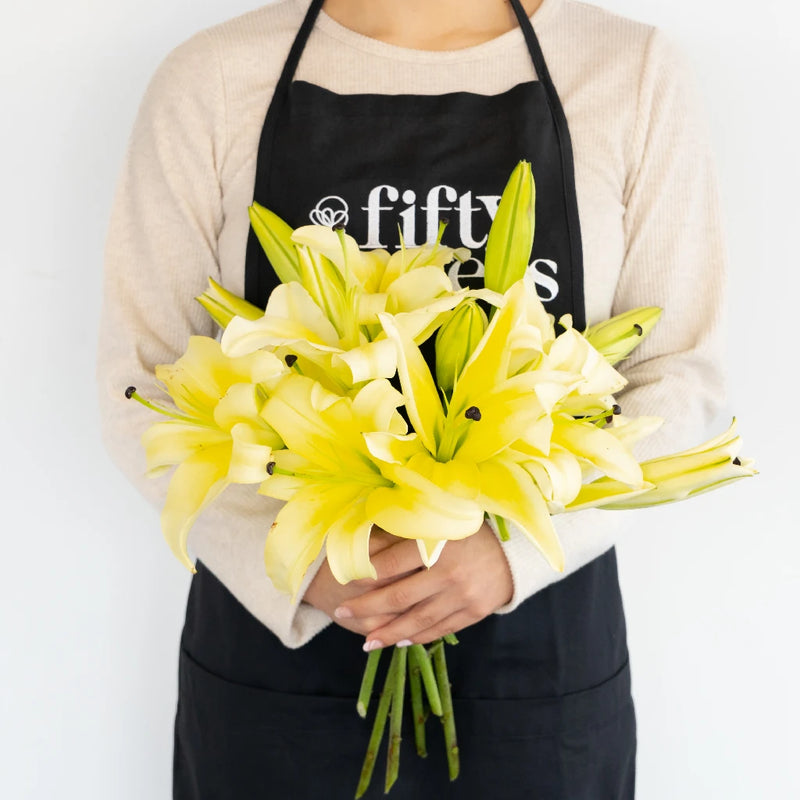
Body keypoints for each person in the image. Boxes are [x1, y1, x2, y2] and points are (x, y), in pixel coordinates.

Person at [98, 0, 727, 797]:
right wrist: (304, 566)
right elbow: (142, 381)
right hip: (280, 653)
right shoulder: (215, 77)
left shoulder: (629, 71)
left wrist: (513, 554)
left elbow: (682, 371)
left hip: (536, 659)